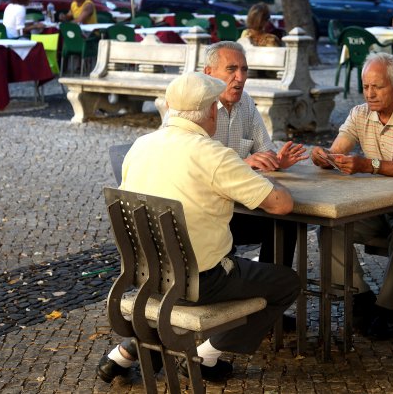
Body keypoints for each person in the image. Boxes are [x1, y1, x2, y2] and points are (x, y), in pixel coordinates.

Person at [97, 72, 301, 384]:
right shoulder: (212, 154)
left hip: (149, 276)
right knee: (286, 282)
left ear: (169, 108)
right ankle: (206, 356)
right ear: (209, 113)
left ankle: (129, 351)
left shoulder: (140, 146)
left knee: (230, 267)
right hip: (203, 282)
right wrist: (265, 178)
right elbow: (281, 205)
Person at [310, 53, 393, 339]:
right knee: (329, 229)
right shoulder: (359, 113)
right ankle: (360, 297)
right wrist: (323, 156)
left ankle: (387, 309)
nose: (370, 93)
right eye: (366, 86)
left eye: (377, 87)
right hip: (376, 205)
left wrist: (368, 165)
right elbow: (338, 149)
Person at [202, 41, 307, 271]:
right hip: (207, 214)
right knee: (283, 215)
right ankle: (257, 288)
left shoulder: (245, 102)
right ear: (208, 73)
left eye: (244, 69)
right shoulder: (198, 107)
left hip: (239, 205)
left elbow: (263, 150)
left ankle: (273, 290)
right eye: (231, 69)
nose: (240, 77)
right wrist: (242, 164)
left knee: (286, 220)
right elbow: (197, 169)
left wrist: (275, 161)